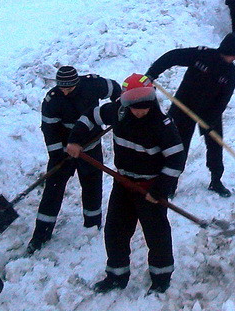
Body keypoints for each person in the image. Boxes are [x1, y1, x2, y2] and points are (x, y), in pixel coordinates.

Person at [66, 73, 184, 294]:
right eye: (134, 106)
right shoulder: (119, 113)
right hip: (123, 183)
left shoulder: (163, 125)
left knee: (156, 234)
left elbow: (176, 159)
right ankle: (116, 276)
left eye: (143, 107)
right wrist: (75, 139)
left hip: (149, 186)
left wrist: (159, 189)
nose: (139, 111)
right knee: (115, 230)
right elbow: (89, 117)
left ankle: (161, 279)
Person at [27, 66, 122, 254]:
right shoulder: (52, 100)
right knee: (53, 189)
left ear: (76, 83)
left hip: (90, 145)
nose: (65, 91)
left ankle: (93, 223)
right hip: (63, 149)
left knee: (92, 184)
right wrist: (60, 154)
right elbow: (50, 131)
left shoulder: (92, 85)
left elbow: (115, 89)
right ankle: (41, 234)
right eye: (61, 87)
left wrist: (118, 109)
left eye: (68, 88)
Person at [145, 33, 235, 197]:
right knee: (177, 147)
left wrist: (210, 120)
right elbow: (172, 57)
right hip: (183, 107)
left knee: (215, 146)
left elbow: (223, 100)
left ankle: (216, 180)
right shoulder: (201, 55)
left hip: (210, 112)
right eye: (233, 55)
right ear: (226, 50)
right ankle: (170, 185)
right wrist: (152, 74)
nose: (234, 59)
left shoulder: (231, 73)